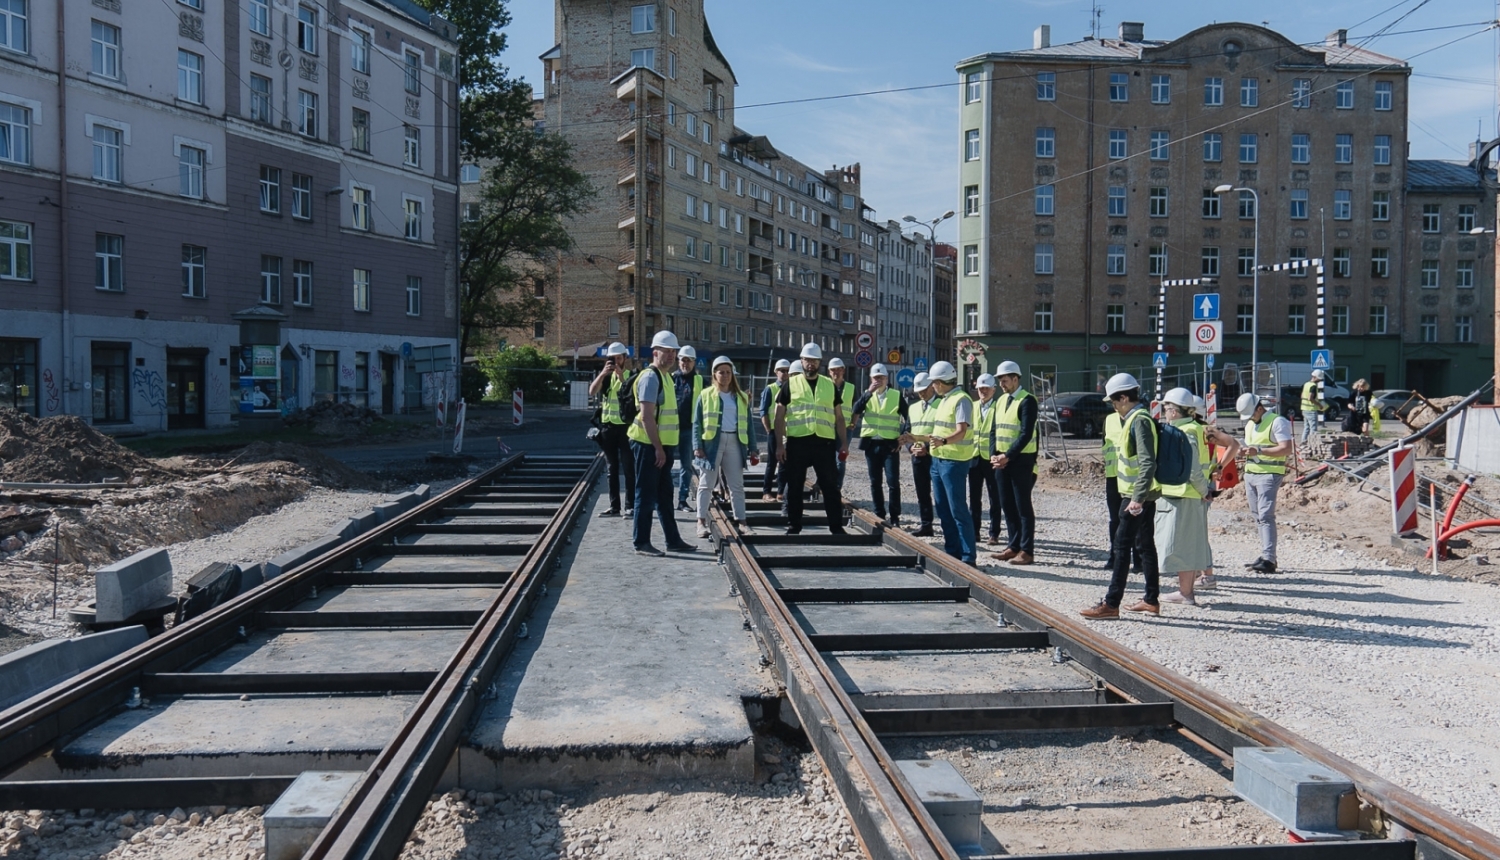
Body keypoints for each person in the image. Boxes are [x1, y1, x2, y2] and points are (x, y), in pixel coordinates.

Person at [1081, 373, 1161, 619]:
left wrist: (1136, 499)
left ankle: (1111, 603)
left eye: (1114, 401)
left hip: (1136, 494)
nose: (1113, 406)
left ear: (1124, 397)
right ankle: (1150, 600)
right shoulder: (1135, 419)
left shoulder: (1139, 421)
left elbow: (1147, 462)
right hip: (1140, 492)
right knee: (1145, 545)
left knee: (1122, 546)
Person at [1156, 389, 1237, 605]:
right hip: (1191, 492)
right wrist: (1217, 469)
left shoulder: (1186, 432)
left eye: (1166, 408)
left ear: (1173, 410)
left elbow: (1191, 469)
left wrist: (1204, 490)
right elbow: (1233, 445)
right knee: (1189, 544)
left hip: (1187, 493)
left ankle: (1185, 593)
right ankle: (1185, 591)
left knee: (1184, 546)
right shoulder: (1200, 429)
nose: (1164, 412)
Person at [628, 331, 697, 557]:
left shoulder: (666, 377)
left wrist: (663, 448)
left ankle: (673, 540)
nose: (671, 355)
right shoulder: (650, 377)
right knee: (645, 495)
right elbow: (647, 416)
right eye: (667, 351)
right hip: (648, 445)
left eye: (673, 351)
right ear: (655, 352)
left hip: (661, 447)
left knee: (665, 496)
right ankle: (642, 542)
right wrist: (658, 448)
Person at [775, 343, 848, 535]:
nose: (810, 364)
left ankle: (836, 526)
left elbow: (839, 417)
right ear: (801, 361)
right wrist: (779, 446)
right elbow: (779, 416)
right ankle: (794, 525)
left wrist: (844, 443)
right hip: (797, 442)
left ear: (819, 363)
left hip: (824, 443)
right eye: (807, 360)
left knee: (830, 486)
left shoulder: (829, 385)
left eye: (814, 361)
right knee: (795, 486)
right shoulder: (790, 384)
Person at [693, 356, 757, 537]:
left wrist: (753, 448)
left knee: (736, 485)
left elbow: (749, 424)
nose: (725, 376)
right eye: (721, 372)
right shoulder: (705, 395)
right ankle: (701, 522)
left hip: (735, 443)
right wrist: (697, 446)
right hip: (712, 443)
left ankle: (742, 522)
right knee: (706, 483)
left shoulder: (742, 397)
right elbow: (697, 422)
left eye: (728, 372)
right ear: (714, 374)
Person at [925, 361, 976, 564]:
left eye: (934, 382)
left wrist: (944, 441)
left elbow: (961, 430)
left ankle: (967, 556)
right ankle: (952, 552)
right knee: (944, 509)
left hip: (954, 461)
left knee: (957, 510)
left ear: (941, 381)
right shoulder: (946, 399)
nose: (932, 387)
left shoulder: (961, 399)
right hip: (939, 460)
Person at [1237, 392, 1294, 573]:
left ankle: (1269, 559)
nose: (1251, 418)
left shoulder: (1278, 421)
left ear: (1260, 408)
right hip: (1251, 474)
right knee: (1257, 516)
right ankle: (1265, 555)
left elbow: (1286, 448)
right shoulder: (1250, 424)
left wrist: (1259, 451)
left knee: (1266, 516)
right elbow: (1249, 447)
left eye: (1252, 414)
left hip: (1269, 474)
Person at [990, 361, 1038, 565]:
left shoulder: (1027, 400)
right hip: (1002, 460)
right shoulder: (1001, 401)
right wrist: (993, 454)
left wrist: (1007, 456)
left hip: (1021, 460)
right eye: (1000, 380)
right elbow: (994, 430)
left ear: (1016, 378)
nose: (1002, 384)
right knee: (1007, 504)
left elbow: (1026, 433)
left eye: (1005, 380)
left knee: (1022, 506)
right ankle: (1013, 545)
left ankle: (1027, 550)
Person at [849, 363, 908, 527]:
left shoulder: (895, 395)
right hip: (871, 444)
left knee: (893, 482)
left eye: (881, 378)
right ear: (871, 379)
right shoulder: (867, 395)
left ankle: (895, 516)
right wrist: (868, 392)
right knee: (875, 481)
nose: (878, 381)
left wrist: (903, 436)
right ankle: (879, 513)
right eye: (875, 378)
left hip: (890, 444)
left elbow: (908, 415)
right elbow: (856, 409)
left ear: (886, 379)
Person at [587, 341, 635, 518]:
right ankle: (615, 507)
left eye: (619, 358)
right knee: (611, 468)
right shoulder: (605, 377)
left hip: (625, 428)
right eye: (612, 358)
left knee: (629, 468)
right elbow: (592, 392)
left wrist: (621, 376)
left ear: (624, 359)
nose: (616, 361)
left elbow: (629, 393)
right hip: (607, 427)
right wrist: (602, 374)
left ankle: (630, 506)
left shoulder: (630, 375)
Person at [967, 373, 1002, 547]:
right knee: (974, 497)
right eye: (981, 389)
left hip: (991, 458)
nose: (983, 391)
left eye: (987, 388)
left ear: (994, 390)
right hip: (974, 457)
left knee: (995, 497)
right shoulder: (972, 407)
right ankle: (974, 531)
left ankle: (994, 533)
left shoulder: (998, 407)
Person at [903, 373, 938, 536]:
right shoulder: (913, 407)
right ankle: (926, 525)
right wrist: (910, 448)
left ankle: (948, 525)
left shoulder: (941, 405)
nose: (921, 394)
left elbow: (944, 432)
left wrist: (927, 448)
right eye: (919, 391)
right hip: (917, 455)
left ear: (932, 386)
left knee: (940, 494)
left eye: (924, 390)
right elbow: (907, 431)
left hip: (936, 455)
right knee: (922, 493)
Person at [672, 345, 704, 511]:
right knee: (665, 464)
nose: (685, 363)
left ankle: (682, 500)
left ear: (694, 362)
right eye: (683, 360)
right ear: (678, 361)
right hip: (670, 428)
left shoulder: (700, 381)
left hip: (689, 429)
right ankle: (663, 499)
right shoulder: (671, 379)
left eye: (688, 360)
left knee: (686, 466)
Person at [760, 359, 791, 502]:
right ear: (776, 372)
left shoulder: (792, 388)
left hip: (788, 431)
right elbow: (763, 411)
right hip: (774, 430)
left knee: (785, 463)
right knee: (772, 462)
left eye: (787, 371)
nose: (785, 373)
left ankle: (780, 492)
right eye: (782, 371)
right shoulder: (770, 389)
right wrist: (768, 430)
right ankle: (766, 492)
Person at [828, 357, 856, 493]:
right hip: (826, 426)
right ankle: (822, 483)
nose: (836, 372)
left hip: (845, 428)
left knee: (841, 457)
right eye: (833, 370)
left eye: (839, 369)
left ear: (843, 371)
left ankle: (837, 487)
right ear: (829, 371)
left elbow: (857, 407)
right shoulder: (824, 386)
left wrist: (854, 422)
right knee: (825, 457)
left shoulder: (851, 388)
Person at [1300, 369, 1328, 446]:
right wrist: (1319, 405)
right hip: (1311, 410)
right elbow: (1310, 398)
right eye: (1319, 379)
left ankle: (1303, 442)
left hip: (1304, 409)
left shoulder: (1306, 384)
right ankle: (1312, 444)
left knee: (1306, 427)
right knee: (1313, 429)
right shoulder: (1313, 386)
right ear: (1316, 377)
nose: (1320, 380)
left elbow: (1302, 396)